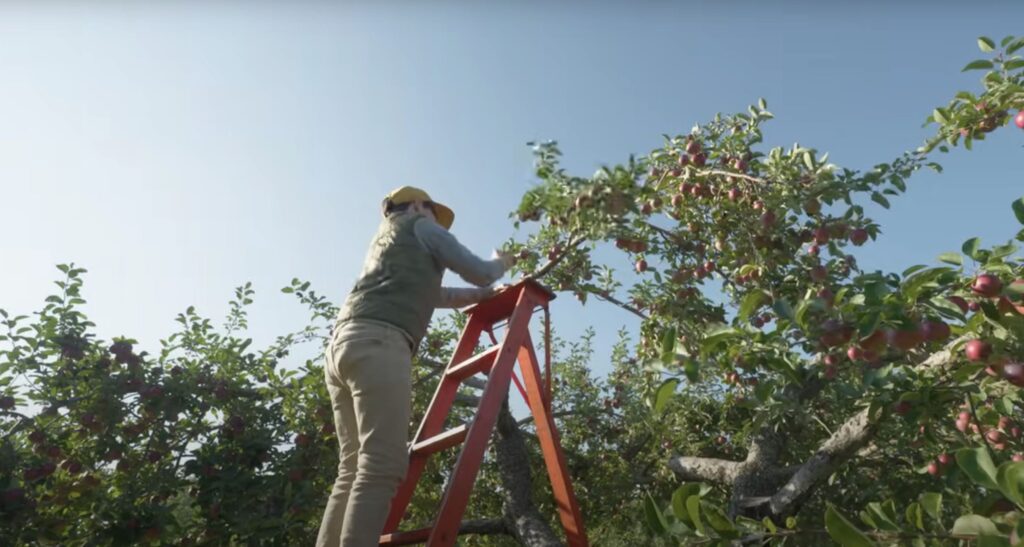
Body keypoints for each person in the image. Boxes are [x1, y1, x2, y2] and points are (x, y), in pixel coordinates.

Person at [316, 186, 515, 547]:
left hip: (342, 348)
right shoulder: (420, 226)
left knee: (351, 468)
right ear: (419, 207)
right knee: (382, 467)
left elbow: (438, 295)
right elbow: (481, 272)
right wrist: (503, 262)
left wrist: (482, 297)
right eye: (434, 214)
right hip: (381, 343)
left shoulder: (385, 243)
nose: (439, 224)